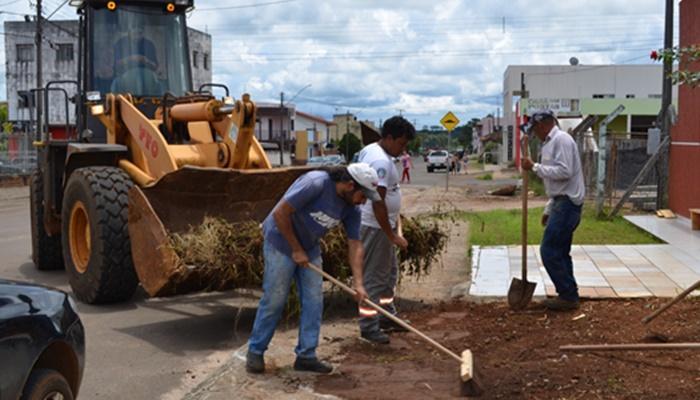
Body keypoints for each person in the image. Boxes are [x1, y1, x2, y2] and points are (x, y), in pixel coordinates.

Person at [246, 164, 378, 374]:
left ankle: (306, 355)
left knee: (314, 300)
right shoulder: (315, 184)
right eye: (363, 195)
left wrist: (359, 284)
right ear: (350, 185)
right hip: (280, 241)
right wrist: (296, 250)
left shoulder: (352, 208)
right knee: (275, 299)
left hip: (310, 246)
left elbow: (355, 244)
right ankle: (255, 351)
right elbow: (281, 213)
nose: (364, 201)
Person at [356, 116, 415, 344]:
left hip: (383, 225)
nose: (403, 149)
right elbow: (377, 201)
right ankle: (369, 326)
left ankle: (387, 315)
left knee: (389, 273)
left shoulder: (371, 149)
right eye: (401, 143)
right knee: (375, 277)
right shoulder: (380, 162)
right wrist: (391, 235)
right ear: (388, 138)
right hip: (375, 227)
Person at [521, 110, 585, 311]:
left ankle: (567, 296)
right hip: (560, 202)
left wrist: (534, 167)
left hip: (567, 204)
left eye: (534, 128)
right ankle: (569, 294)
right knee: (560, 252)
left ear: (543, 124)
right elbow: (555, 184)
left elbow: (564, 172)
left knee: (549, 250)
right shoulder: (549, 143)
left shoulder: (562, 140)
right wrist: (549, 207)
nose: (534, 133)